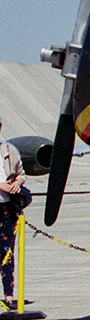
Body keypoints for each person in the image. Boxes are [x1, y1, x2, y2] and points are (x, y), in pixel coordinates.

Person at [0, 118, 27, 308]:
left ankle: (8, 294)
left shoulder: (9, 150)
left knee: (6, 251)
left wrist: (17, 183)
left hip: (7, 207)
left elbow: (21, 173)